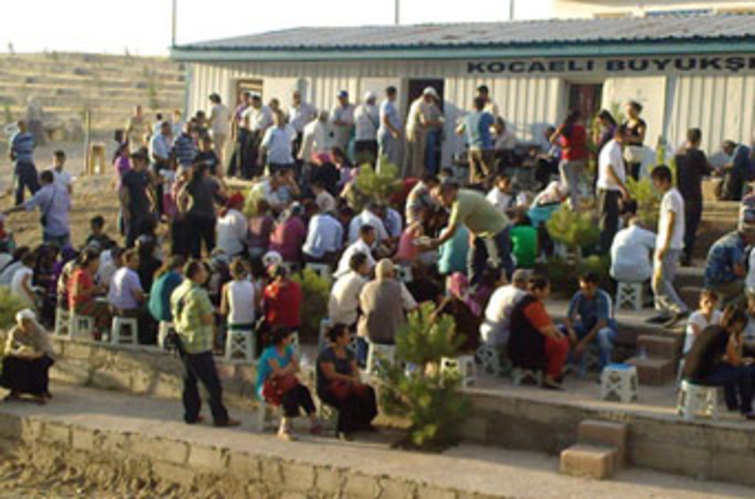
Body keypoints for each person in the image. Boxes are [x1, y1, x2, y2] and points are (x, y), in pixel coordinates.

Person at [170, 260, 239, 426]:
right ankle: (220, 417)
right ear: (196, 274)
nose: (206, 274)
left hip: (183, 339)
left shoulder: (178, 291)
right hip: (198, 342)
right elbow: (207, 319)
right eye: (203, 271)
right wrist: (215, 316)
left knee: (190, 380)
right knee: (212, 384)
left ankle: (191, 414)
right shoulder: (198, 294)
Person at [430, 180, 513, 286]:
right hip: (480, 231)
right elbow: (472, 216)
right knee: (474, 261)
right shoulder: (460, 197)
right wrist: (472, 234)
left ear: (450, 193)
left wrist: (437, 242)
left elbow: (452, 230)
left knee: (499, 262)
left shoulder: (461, 203)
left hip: (495, 230)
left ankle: (509, 286)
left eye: (443, 199)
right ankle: (474, 288)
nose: (442, 202)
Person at [682, 306, 754, 419]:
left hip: (688, 372)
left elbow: (716, 356)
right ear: (737, 323)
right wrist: (747, 360)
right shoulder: (724, 335)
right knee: (746, 372)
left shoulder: (711, 329)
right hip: (703, 376)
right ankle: (747, 409)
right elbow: (734, 361)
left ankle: (733, 405)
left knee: (729, 370)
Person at [257, 327, 321, 440]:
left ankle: (313, 420)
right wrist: (290, 366)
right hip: (268, 386)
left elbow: (296, 367)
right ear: (283, 339)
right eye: (289, 337)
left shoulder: (288, 349)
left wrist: (289, 368)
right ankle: (284, 428)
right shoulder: (269, 353)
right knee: (290, 394)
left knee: (303, 390)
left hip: (285, 383)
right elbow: (279, 372)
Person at [507, 275, 570, 390]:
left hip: (525, 342)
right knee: (560, 344)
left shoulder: (530, 303)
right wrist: (559, 336)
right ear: (538, 291)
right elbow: (546, 330)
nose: (548, 292)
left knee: (560, 339)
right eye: (547, 289)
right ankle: (550, 377)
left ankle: (555, 373)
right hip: (524, 348)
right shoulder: (532, 306)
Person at [317, 323, 378, 440]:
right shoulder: (327, 354)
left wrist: (357, 380)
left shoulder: (349, 353)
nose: (349, 337)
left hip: (347, 385)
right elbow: (330, 375)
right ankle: (342, 430)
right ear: (339, 338)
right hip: (329, 388)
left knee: (368, 392)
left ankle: (363, 422)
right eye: (346, 335)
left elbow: (354, 369)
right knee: (348, 399)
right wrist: (349, 379)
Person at [650, 165, 688, 328]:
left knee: (660, 281)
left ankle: (679, 308)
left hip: (669, 245)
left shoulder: (671, 196)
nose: (655, 185)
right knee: (662, 280)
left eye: (657, 182)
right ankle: (663, 312)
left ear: (665, 180)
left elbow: (671, 220)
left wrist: (664, 246)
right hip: (670, 243)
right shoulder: (672, 196)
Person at [358, 259, 417, 350]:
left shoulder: (366, 287)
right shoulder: (399, 286)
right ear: (391, 273)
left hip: (370, 333)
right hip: (393, 334)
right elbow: (412, 307)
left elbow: (362, 305)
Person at [564, 273, 617, 374]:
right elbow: (569, 318)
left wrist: (583, 343)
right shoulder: (578, 296)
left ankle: (603, 369)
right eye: (582, 288)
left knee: (603, 335)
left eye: (588, 288)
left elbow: (602, 323)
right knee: (561, 329)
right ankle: (567, 362)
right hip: (585, 326)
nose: (585, 292)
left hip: (604, 329)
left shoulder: (603, 298)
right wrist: (570, 330)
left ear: (595, 286)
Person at [4, 170, 71, 247]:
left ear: (44, 180)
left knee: (49, 252)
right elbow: (68, 206)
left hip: (52, 230)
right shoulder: (62, 190)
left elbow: (27, 205)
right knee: (66, 252)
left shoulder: (43, 192)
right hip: (64, 227)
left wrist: (9, 210)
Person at [0, 309, 54, 404]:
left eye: (28, 322)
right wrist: (17, 353)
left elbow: (43, 350)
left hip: (40, 355)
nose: (25, 325)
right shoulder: (15, 332)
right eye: (23, 323)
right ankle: (15, 389)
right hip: (21, 355)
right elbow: (8, 348)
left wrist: (32, 355)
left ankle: (39, 391)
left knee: (39, 364)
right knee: (9, 361)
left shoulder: (39, 331)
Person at [675, 128, 712, 265]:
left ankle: (678, 255)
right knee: (691, 227)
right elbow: (707, 170)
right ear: (699, 140)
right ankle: (686, 257)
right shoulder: (697, 154)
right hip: (694, 195)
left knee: (681, 226)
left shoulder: (678, 155)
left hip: (681, 193)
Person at [597, 124, 630, 252]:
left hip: (613, 189)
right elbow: (608, 169)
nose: (629, 139)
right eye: (627, 135)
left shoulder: (617, 148)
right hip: (608, 189)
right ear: (620, 135)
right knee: (607, 222)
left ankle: (609, 248)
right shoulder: (611, 149)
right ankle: (603, 249)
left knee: (613, 222)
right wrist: (622, 187)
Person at [178, 162, 222, 258]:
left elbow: (180, 196)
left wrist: (182, 210)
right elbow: (220, 196)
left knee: (195, 244)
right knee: (210, 243)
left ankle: (195, 262)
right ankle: (212, 262)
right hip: (209, 215)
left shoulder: (192, 182)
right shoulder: (212, 182)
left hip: (193, 215)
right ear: (205, 171)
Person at [703, 228, 753, 308]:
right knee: (749, 289)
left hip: (712, 280)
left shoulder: (730, 239)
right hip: (719, 282)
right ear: (748, 236)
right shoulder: (734, 244)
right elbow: (739, 270)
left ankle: (724, 306)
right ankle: (727, 309)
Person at [550, 110, 588, 211]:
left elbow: (552, 139)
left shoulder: (565, 127)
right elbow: (585, 144)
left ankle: (564, 200)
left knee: (568, 184)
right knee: (574, 183)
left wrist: (562, 146)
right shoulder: (581, 129)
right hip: (579, 158)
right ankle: (573, 204)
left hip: (567, 157)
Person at [480, 269, 529, 347]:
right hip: (502, 338)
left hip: (485, 333)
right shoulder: (521, 295)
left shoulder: (500, 290)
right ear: (524, 283)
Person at [68, 248, 110, 338]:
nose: (99, 263)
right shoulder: (80, 274)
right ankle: (98, 333)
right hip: (79, 305)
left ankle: (98, 331)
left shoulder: (89, 274)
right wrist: (94, 289)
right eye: (97, 261)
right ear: (91, 262)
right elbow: (77, 293)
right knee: (106, 308)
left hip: (86, 302)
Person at [434, 273, 481, 353]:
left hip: (455, 345)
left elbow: (434, 318)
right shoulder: (472, 301)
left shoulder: (451, 302)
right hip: (471, 344)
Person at [404, 87, 442, 179]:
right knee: (418, 158)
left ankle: (406, 177)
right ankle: (415, 178)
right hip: (418, 133)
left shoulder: (415, 102)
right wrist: (437, 122)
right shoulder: (423, 105)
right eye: (432, 98)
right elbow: (424, 122)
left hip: (409, 131)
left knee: (409, 157)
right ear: (428, 96)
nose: (432, 100)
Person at [457, 97, 495, 185]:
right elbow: (495, 127)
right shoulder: (487, 116)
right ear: (484, 106)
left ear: (473, 106)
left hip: (472, 148)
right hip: (485, 148)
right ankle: (488, 188)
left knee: (475, 174)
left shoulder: (467, 118)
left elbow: (459, 131)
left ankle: (475, 187)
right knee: (489, 173)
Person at [120, 151, 154, 248]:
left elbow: (149, 189)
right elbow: (124, 194)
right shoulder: (127, 176)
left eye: (135, 161)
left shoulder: (144, 174)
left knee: (144, 231)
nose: (133, 163)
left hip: (144, 206)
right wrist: (125, 208)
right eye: (131, 161)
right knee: (131, 232)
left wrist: (153, 203)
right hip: (132, 207)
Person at [220, 258, 257, 345]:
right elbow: (256, 307)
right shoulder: (253, 286)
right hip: (249, 323)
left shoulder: (227, 287)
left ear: (231, 273)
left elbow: (223, 310)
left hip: (233, 324)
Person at [329, 253, 370, 329]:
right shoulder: (359, 281)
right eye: (367, 264)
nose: (369, 267)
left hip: (333, 317)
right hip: (348, 320)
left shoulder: (342, 278)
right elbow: (365, 303)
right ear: (361, 266)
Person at [610, 217, 656, 283]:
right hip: (641, 274)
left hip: (617, 273)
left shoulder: (619, 234)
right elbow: (660, 245)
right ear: (643, 226)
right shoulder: (646, 234)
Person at [263, 264, 302, 332]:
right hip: (294, 325)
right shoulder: (296, 287)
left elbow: (266, 308)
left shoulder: (270, 290)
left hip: (276, 326)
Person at [8, 120, 39, 206]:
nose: (23, 127)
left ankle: (37, 199)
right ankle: (19, 203)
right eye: (21, 125)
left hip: (29, 161)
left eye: (24, 125)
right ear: (18, 126)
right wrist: (15, 161)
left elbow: (33, 146)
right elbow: (11, 151)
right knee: (20, 184)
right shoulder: (15, 137)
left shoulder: (30, 135)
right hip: (20, 162)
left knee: (34, 180)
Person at [107, 248, 145, 317]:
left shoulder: (117, 273)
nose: (137, 263)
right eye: (135, 261)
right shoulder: (132, 275)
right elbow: (138, 296)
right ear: (126, 261)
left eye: (138, 261)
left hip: (114, 308)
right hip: (127, 310)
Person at [684, 290, 722, 355]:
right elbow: (701, 338)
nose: (710, 305)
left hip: (711, 350)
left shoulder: (719, 315)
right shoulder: (694, 317)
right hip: (693, 351)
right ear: (700, 303)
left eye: (713, 302)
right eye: (706, 302)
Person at [148, 255, 184, 324]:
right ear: (180, 267)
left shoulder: (160, 276)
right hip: (167, 315)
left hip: (155, 313)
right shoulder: (174, 277)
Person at [261, 110, 295, 175]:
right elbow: (264, 145)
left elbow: (293, 141)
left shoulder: (290, 128)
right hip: (274, 161)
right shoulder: (271, 130)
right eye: (276, 118)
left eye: (280, 117)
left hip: (287, 161)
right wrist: (260, 157)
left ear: (283, 117)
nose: (278, 120)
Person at [377, 86, 403, 171]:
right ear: (393, 94)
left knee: (389, 156)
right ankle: (383, 173)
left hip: (389, 133)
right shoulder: (387, 104)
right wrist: (394, 131)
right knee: (386, 156)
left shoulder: (389, 104)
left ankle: (385, 172)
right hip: (388, 133)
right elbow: (385, 119)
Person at [216, 193, 248, 257]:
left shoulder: (222, 215)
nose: (244, 205)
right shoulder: (239, 216)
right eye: (243, 203)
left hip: (220, 249)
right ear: (237, 204)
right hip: (233, 251)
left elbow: (218, 230)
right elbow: (243, 236)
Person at [354, 91, 379, 164]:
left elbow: (354, 122)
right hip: (371, 139)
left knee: (359, 161)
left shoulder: (358, 109)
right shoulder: (376, 110)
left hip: (359, 139)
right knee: (371, 162)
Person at [208, 93, 231, 165]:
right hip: (225, 130)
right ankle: (223, 164)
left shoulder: (214, 108)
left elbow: (211, 118)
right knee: (223, 149)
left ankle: (217, 164)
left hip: (217, 130)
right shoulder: (226, 108)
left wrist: (207, 125)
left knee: (217, 150)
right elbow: (229, 118)